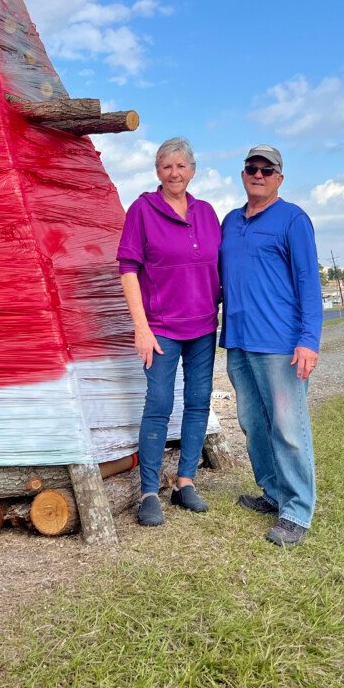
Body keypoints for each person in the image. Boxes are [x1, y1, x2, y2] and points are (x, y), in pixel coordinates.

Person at [219, 144, 323, 547]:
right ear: (243, 174)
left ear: (280, 177)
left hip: (281, 345)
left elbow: (309, 287)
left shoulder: (293, 220)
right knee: (253, 423)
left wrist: (308, 341)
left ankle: (297, 511)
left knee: (288, 427)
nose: (257, 174)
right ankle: (273, 493)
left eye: (267, 169)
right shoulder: (230, 222)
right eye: (251, 168)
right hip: (239, 342)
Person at [117, 137, 221, 526]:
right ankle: (148, 492)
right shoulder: (143, 210)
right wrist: (140, 328)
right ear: (157, 172)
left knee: (198, 403)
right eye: (166, 166)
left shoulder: (207, 213)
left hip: (203, 328)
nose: (174, 173)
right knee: (158, 405)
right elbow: (128, 269)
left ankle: (185, 483)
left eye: (181, 166)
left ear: (192, 171)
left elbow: (219, 268)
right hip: (160, 329)